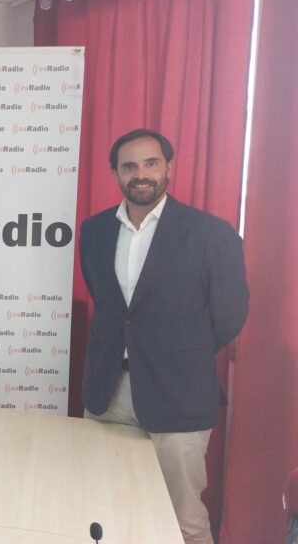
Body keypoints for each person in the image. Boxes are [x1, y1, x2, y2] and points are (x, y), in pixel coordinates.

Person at [79, 128, 249, 544]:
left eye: (151, 163)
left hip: (179, 395)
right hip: (109, 393)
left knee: (184, 521)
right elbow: (109, 306)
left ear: (169, 167)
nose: (141, 174)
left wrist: (180, 354)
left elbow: (230, 315)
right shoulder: (94, 231)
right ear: (116, 174)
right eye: (129, 166)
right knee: (106, 511)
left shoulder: (210, 233)